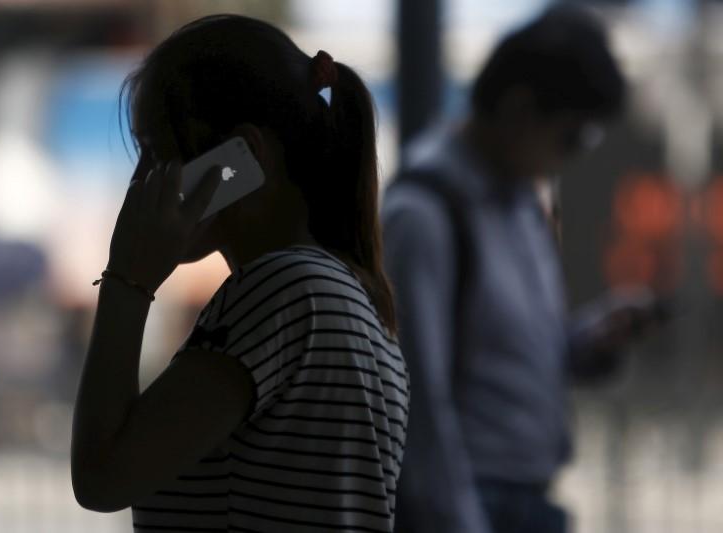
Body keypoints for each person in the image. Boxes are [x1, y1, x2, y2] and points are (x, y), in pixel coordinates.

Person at [70, 14, 409, 532]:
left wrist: (127, 281)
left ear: (240, 160)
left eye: (157, 153)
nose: (142, 184)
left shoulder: (283, 293)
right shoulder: (341, 295)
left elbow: (101, 478)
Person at [382, 6, 664, 533]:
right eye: (572, 137)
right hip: (471, 502)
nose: (573, 157)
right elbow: (418, 403)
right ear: (518, 108)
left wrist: (586, 342)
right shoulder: (427, 213)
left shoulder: (517, 201)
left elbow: (503, 359)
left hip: (522, 497)